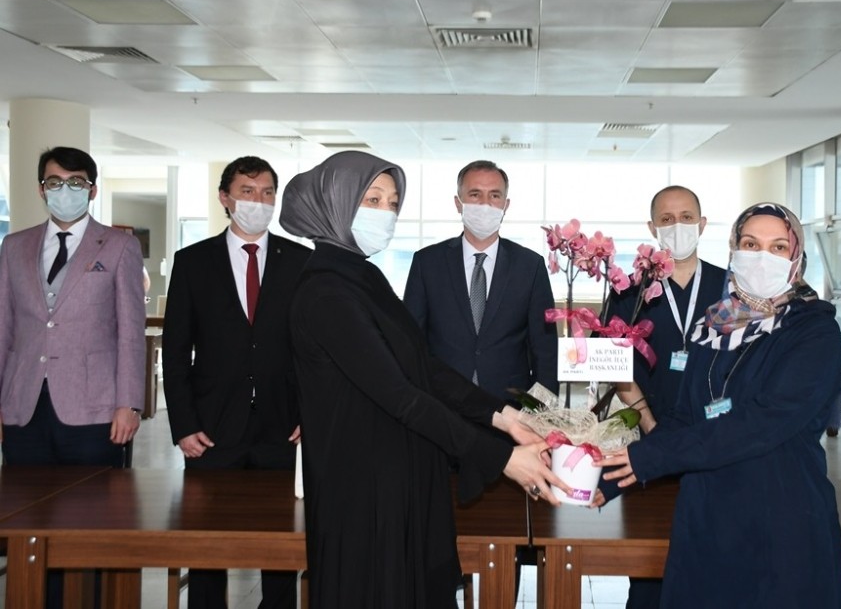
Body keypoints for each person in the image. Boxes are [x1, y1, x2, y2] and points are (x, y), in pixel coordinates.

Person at [279, 150, 567, 609]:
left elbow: (424, 367)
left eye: (392, 202)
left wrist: (505, 417)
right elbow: (400, 395)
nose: (386, 213)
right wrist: (502, 459)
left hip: (401, 476)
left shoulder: (362, 277)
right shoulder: (326, 291)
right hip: (363, 490)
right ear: (335, 203)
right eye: (371, 199)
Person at [597, 202, 841, 609]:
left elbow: (761, 422)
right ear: (733, 249)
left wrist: (652, 458)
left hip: (778, 519)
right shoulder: (716, 322)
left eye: (778, 247)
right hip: (707, 515)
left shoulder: (814, 331)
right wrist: (610, 477)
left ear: (796, 257)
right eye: (751, 243)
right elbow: (684, 414)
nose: (761, 256)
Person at [0, 146, 146, 609]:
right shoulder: (14, 246)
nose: (65, 190)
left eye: (76, 182)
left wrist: (130, 401)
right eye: (55, 182)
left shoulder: (119, 246)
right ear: (41, 189)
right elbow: (3, 326)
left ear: (93, 189)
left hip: (94, 407)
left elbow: (130, 332)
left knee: (90, 524)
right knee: (28, 523)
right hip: (23, 406)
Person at [162, 155, 310, 609]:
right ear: (225, 198)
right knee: (208, 544)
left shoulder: (301, 262)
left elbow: (313, 351)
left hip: (282, 426)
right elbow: (175, 349)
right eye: (248, 192)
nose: (258, 202)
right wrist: (183, 424)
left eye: (267, 193)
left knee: (281, 544)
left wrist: (311, 413)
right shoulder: (193, 262)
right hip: (210, 428)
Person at [600, 185, 727, 608]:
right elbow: (615, 366)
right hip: (649, 441)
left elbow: (739, 363)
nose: (678, 227)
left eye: (687, 217)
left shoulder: (730, 290)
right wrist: (653, 428)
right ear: (652, 227)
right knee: (649, 557)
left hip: (715, 443)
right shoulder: (629, 292)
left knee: (715, 553)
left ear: (703, 224)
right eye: (667, 219)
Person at [403, 160, 557, 401]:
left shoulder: (530, 266)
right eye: (475, 194)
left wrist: (542, 412)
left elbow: (545, 349)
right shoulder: (427, 263)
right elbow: (411, 342)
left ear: (506, 205)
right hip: (441, 403)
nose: (486, 204)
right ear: (458, 203)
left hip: (510, 406)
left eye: (494, 195)